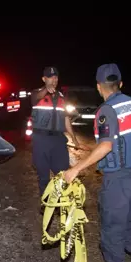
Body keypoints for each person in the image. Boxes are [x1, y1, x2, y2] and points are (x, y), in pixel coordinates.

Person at [62, 63, 131, 262]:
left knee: (112, 226)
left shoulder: (106, 111)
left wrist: (75, 169)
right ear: (120, 84)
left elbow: (105, 146)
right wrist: (127, 141)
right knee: (127, 223)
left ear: (98, 86)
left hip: (118, 179)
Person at [30, 66, 81, 198]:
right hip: (41, 140)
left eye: (56, 77)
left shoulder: (62, 97)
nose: (54, 79)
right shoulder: (36, 94)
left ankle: (61, 204)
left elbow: (66, 119)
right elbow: (35, 98)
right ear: (44, 79)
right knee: (43, 177)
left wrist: (74, 139)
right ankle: (46, 205)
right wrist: (46, 90)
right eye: (51, 77)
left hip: (58, 141)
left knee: (62, 175)